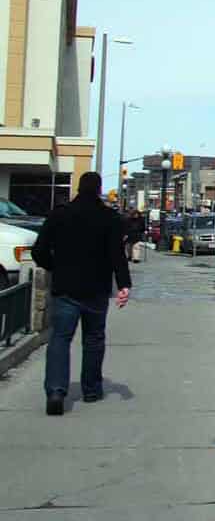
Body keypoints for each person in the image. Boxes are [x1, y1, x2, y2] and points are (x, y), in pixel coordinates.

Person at [31, 172, 131, 416]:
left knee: (60, 339)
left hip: (65, 287)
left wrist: (55, 266)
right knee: (94, 339)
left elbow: (39, 251)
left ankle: (56, 391)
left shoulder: (59, 214)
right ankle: (91, 389)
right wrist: (124, 285)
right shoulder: (109, 218)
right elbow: (117, 255)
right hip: (96, 288)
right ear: (98, 191)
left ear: (78, 188)